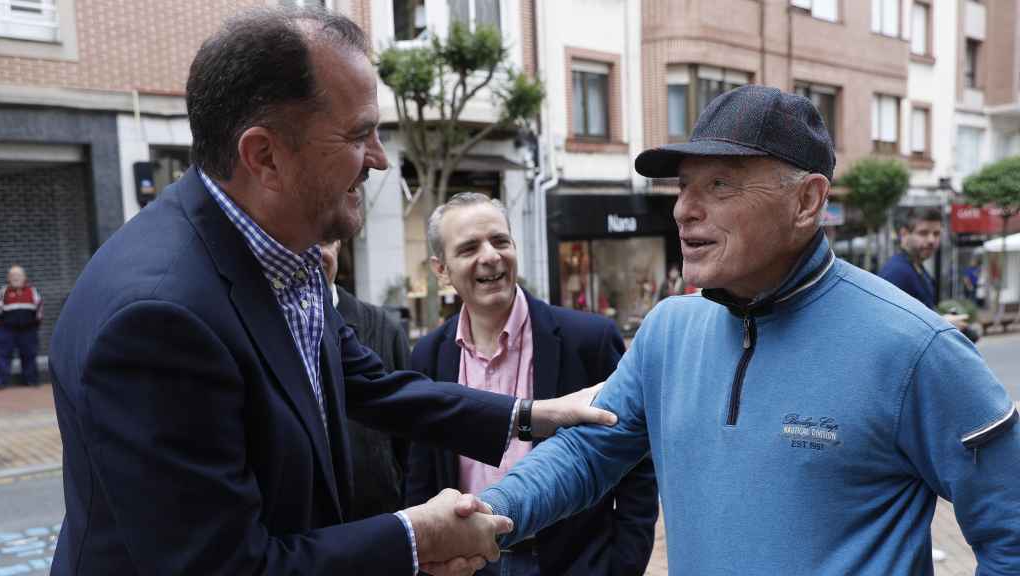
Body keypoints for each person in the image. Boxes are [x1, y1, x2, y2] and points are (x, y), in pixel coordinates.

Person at [48, 8, 615, 575]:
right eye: (358, 134)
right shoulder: (157, 320)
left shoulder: (278, 249)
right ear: (264, 156)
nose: (380, 158)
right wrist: (415, 537)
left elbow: (366, 382)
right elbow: (224, 567)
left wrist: (531, 414)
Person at [472, 85, 1020, 574]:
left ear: (807, 202)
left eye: (720, 184)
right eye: (684, 186)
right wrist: (489, 516)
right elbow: (586, 453)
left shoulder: (916, 349)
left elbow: (1011, 537)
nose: (684, 209)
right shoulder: (668, 330)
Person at [407, 193, 659, 576]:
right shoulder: (428, 355)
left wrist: (620, 566)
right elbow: (420, 473)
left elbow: (635, 463)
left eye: (500, 241)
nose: (490, 255)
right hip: (469, 565)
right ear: (441, 270)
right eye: (470, 247)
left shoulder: (587, 340)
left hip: (570, 562)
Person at [320, 240, 411, 519]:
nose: (312, 251)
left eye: (322, 239)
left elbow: (408, 438)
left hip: (380, 526)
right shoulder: (260, 328)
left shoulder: (384, 329)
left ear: (337, 243)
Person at [879, 208, 979, 342]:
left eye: (936, 234)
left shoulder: (917, 266)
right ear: (904, 234)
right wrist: (941, 324)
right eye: (923, 233)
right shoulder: (896, 271)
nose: (932, 240)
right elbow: (887, 326)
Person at [0, 265, 43, 388]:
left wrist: (34, 326)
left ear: (24, 277)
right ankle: (1, 382)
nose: (16, 277)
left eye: (18, 275)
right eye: (13, 275)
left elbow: (39, 310)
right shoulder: (2, 291)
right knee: (3, 357)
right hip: (7, 331)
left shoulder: (32, 291)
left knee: (29, 356)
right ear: (8, 278)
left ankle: (31, 380)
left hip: (28, 331)